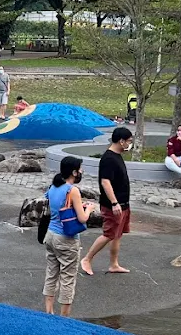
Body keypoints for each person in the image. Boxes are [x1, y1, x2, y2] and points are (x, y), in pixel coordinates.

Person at [43, 155, 93, 316]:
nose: (81, 171)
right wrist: (89, 209)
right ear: (74, 172)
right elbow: (82, 218)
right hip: (66, 239)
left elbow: (55, 204)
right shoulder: (73, 190)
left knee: (51, 274)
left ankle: (48, 312)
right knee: (67, 278)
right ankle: (64, 319)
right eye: (80, 169)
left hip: (50, 234)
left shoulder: (54, 186)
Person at [81, 126, 134, 276]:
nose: (130, 144)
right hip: (113, 205)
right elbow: (105, 182)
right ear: (121, 141)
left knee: (117, 234)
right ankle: (87, 259)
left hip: (123, 204)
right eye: (129, 141)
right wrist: (114, 202)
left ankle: (114, 264)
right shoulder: (109, 158)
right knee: (109, 234)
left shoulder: (117, 156)